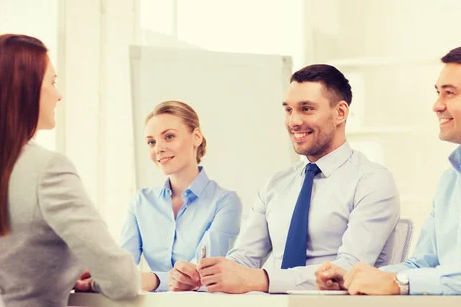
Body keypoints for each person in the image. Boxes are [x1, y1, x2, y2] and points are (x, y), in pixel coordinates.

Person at [315, 43, 461, 307]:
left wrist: (399, 283)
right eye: (438, 93)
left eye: (449, 93)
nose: (437, 106)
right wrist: (358, 277)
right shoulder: (451, 180)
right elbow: (423, 263)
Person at [0, 34, 152, 306]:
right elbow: (123, 281)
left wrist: (67, 272)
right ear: (25, 89)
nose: (59, 95)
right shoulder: (48, 170)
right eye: (53, 82)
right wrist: (92, 277)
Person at [170, 64, 400, 293]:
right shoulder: (276, 184)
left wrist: (261, 280)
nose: (294, 121)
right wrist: (204, 277)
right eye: (288, 110)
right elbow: (245, 258)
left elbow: (348, 269)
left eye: (306, 109)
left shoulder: (372, 181)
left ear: (340, 112)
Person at [119, 100, 242, 291]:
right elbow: (123, 266)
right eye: (151, 142)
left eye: (169, 137)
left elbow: (199, 276)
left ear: (197, 137)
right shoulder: (141, 202)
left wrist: (152, 280)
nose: (158, 148)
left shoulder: (225, 202)